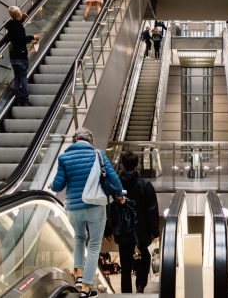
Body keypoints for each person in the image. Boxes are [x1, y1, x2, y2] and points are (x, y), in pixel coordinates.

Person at [50, 127, 123, 298]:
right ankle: (86, 287)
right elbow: (114, 179)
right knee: (94, 245)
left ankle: (78, 275)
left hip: (74, 209)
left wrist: (51, 186)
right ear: (90, 141)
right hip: (95, 207)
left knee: (79, 239)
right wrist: (119, 194)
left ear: (75, 140)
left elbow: (58, 185)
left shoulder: (64, 157)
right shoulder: (98, 155)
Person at [109, 151, 160, 294]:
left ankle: (126, 292)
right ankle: (140, 285)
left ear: (123, 164)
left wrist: (108, 230)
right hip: (141, 231)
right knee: (145, 256)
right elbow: (152, 210)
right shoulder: (145, 185)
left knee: (125, 264)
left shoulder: (115, 186)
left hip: (122, 230)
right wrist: (155, 232)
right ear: (137, 164)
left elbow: (109, 208)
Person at [5, 6, 40, 106]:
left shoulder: (10, 25)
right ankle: (25, 99)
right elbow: (21, 38)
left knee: (17, 77)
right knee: (23, 77)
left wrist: (22, 18)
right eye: (20, 12)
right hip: (21, 55)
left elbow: (16, 29)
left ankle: (19, 98)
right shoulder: (18, 26)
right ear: (18, 14)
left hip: (13, 57)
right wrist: (33, 37)